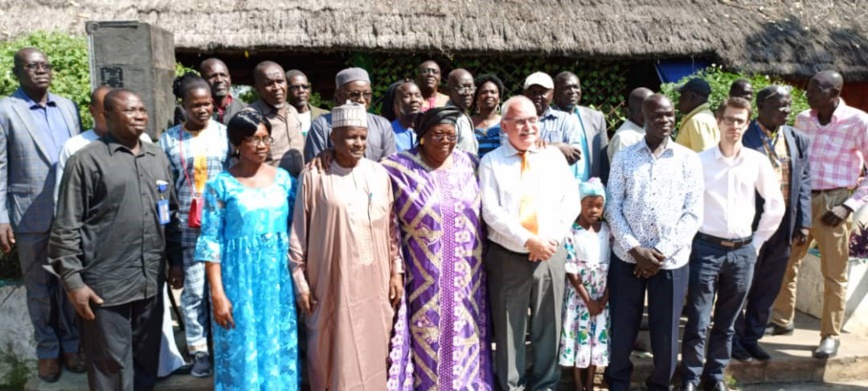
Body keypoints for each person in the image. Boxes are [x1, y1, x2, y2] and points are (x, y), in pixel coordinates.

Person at [49, 89, 182, 390]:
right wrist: (73, 282)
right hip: (105, 287)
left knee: (147, 361)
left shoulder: (157, 158)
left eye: (142, 109)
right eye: (129, 110)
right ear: (107, 116)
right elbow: (66, 226)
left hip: (150, 281)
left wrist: (176, 262)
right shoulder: (86, 162)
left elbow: (169, 214)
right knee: (111, 367)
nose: (139, 116)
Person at [290, 103, 403, 390]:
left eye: (363, 137)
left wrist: (395, 272)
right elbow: (298, 234)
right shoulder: (314, 176)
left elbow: (392, 230)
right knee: (331, 346)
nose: (359, 143)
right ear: (333, 138)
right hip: (330, 282)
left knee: (375, 345)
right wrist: (300, 282)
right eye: (351, 136)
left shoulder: (379, 174)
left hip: (375, 282)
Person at [383, 106, 494, 390]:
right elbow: (387, 222)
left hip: (468, 278)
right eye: (437, 134)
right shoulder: (396, 168)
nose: (445, 140)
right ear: (421, 137)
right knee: (426, 336)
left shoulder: (471, 164)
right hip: (423, 279)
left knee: (466, 335)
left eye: (451, 134)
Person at [679, 97, 784, 391]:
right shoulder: (699, 161)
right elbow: (685, 206)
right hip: (705, 249)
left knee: (727, 323)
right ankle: (690, 377)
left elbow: (775, 205)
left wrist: (757, 243)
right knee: (698, 320)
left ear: (746, 124)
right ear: (718, 121)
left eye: (740, 120)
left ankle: (715, 377)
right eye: (729, 119)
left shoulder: (757, 162)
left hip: (742, 252)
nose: (734, 126)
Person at [194, 110, 300, 390]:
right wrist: (218, 294)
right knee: (240, 347)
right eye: (253, 139)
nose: (262, 145)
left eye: (266, 138)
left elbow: (297, 232)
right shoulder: (220, 186)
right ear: (237, 144)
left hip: (278, 283)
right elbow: (210, 241)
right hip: (237, 282)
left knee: (278, 345)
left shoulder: (285, 181)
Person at [605, 94, 704, 391]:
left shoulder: (688, 159)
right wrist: (636, 250)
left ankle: (660, 385)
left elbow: (693, 213)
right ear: (643, 119)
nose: (665, 121)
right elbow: (612, 206)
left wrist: (657, 254)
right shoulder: (625, 156)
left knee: (665, 334)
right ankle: (618, 383)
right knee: (623, 329)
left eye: (669, 115)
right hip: (627, 258)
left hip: (670, 261)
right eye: (657, 116)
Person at [481, 95, 580, 390]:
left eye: (533, 120)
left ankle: (545, 384)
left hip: (551, 252)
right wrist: (528, 240)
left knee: (548, 324)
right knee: (510, 326)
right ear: (505, 125)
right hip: (508, 256)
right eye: (520, 121)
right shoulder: (491, 163)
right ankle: (511, 384)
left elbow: (571, 201)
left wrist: (551, 239)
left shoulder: (553, 158)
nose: (528, 127)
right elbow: (491, 211)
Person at [0, 47, 83, 382]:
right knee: (39, 289)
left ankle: (72, 346)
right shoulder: (6, 109)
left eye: (46, 65)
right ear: (18, 71)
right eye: (32, 66)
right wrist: (1, 217)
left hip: (70, 214)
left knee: (70, 283)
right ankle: (47, 350)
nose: (41, 71)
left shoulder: (67, 106)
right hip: (29, 213)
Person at [772, 70, 868, 359]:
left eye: (816, 89)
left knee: (833, 275)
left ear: (835, 93)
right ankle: (781, 320)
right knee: (786, 263)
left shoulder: (859, 122)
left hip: (836, 204)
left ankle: (830, 335)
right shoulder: (803, 120)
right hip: (803, 200)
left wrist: (848, 206)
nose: (808, 93)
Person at [732, 85, 811, 362]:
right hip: (751, 225)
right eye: (780, 106)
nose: (787, 111)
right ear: (762, 106)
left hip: (784, 227)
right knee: (742, 284)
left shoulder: (796, 138)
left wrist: (803, 222)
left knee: (767, 287)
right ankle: (734, 340)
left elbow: (804, 183)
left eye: (789, 105)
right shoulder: (743, 136)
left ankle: (752, 338)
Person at [159, 75, 231, 378]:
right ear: (183, 106)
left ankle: (224, 348)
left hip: (223, 225)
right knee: (193, 292)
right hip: (186, 228)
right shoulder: (168, 139)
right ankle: (199, 351)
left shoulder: (226, 134)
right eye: (196, 105)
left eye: (207, 105)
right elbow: (164, 188)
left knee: (223, 289)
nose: (203, 110)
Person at [558, 178, 611, 391]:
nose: (594, 210)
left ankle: (591, 382)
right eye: (589, 205)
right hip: (579, 296)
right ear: (579, 205)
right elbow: (570, 268)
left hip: (601, 295)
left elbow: (613, 265)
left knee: (595, 338)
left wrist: (604, 298)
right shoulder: (571, 231)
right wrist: (588, 300)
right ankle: (578, 383)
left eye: (599, 206)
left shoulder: (607, 231)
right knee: (577, 336)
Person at [304, 67, 396, 162]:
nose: (361, 99)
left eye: (367, 94)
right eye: (354, 94)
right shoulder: (321, 125)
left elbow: (389, 165)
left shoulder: (382, 125)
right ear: (339, 95)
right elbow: (316, 164)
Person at [522, 72, 585, 180]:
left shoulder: (565, 119)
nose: (537, 96)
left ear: (552, 94)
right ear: (525, 94)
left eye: (542, 92)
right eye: (533, 92)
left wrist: (531, 150)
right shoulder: (514, 120)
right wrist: (556, 146)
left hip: (556, 184)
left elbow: (574, 155)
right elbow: (511, 153)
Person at [246, 61, 305, 177]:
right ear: (257, 88)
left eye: (280, 81)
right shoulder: (250, 117)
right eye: (269, 83)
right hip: (270, 188)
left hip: (300, 186)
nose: (277, 88)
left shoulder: (292, 110)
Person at [553, 71, 609, 179]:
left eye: (576, 87)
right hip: (558, 188)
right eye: (566, 88)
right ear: (555, 92)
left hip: (590, 188)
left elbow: (604, 158)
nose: (572, 91)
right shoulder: (546, 119)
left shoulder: (596, 118)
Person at [608, 87, 654, 162]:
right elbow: (624, 171)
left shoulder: (652, 129)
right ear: (629, 112)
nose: (649, 114)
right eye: (642, 111)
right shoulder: (624, 139)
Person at [675, 78, 719, 153]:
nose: (679, 98)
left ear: (693, 96)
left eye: (682, 94)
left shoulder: (699, 120)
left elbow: (704, 158)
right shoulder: (701, 117)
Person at [200, 58, 247, 125]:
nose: (219, 80)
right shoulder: (193, 113)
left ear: (229, 78)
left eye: (223, 75)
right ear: (202, 80)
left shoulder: (245, 110)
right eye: (212, 76)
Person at [444, 68, 480, 154]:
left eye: (471, 88)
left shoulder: (462, 114)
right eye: (462, 88)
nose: (467, 92)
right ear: (449, 91)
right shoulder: (448, 119)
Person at [286, 69, 329, 137]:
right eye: (295, 87)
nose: (301, 91)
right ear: (286, 90)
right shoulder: (279, 117)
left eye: (305, 87)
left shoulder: (325, 115)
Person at [471, 74, 505, 157]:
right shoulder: (468, 123)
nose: (489, 95)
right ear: (476, 98)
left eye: (493, 92)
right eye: (484, 92)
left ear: (499, 99)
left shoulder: (506, 123)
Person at [389, 79, 422, 152]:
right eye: (407, 96)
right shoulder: (388, 132)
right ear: (396, 104)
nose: (414, 100)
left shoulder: (428, 130)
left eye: (418, 95)